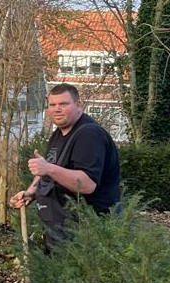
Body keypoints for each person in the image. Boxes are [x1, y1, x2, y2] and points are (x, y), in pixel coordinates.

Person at [10, 83, 121, 250]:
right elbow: (48, 168)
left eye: (63, 104)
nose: (57, 109)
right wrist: (31, 192)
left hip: (87, 234)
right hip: (61, 231)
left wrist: (48, 169)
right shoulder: (59, 133)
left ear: (78, 105)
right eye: (52, 105)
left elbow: (87, 184)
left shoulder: (89, 135)